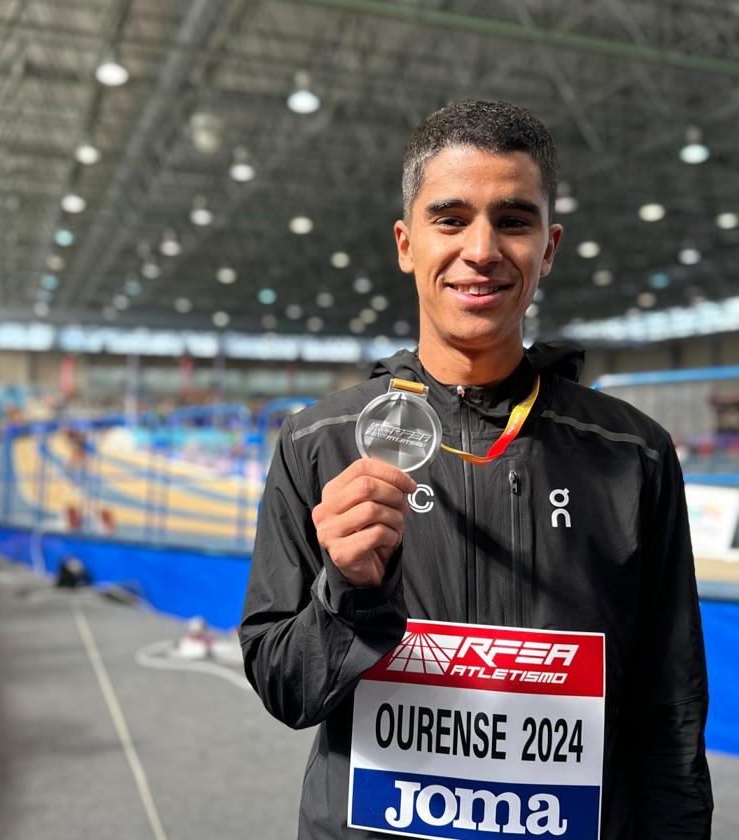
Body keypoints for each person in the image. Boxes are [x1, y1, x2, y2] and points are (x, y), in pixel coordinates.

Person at [240, 100, 712, 839]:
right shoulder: (319, 443)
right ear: (406, 242)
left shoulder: (633, 455)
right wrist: (347, 595)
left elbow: (671, 705)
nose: (483, 248)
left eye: (514, 221)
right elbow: (282, 686)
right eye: (451, 219)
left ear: (548, 247)